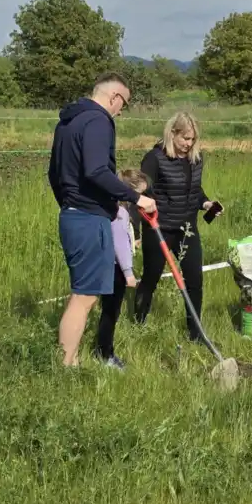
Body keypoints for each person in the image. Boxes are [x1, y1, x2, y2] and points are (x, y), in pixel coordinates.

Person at [48, 73, 156, 368]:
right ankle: (66, 365)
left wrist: (70, 204)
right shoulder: (98, 121)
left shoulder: (68, 122)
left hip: (72, 215)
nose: (122, 111)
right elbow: (97, 171)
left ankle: (70, 359)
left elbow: (53, 174)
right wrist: (137, 198)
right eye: (124, 104)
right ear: (114, 98)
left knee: (84, 294)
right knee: (84, 297)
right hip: (88, 219)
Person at [134, 111, 221, 339]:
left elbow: (194, 191)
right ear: (173, 134)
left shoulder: (196, 158)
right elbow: (140, 193)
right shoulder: (154, 158)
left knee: (195, 280)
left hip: (187, 228)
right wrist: (137, 228)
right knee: (151, 277)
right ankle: (137, 324)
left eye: (192, 139)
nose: (188, 144)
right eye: (185, 138)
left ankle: (196, 333)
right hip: (159, 228)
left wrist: (206, 203)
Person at [95, 168, 147, 370]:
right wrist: (128, 273)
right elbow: (119, 245)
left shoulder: (112, 208)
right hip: (116, 269)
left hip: (110, 265)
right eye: (140, 193)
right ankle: (105, 354)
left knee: (107, 310)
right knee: (110, 312)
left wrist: (132, 242)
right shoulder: (121, 212)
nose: (140, 198)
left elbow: (119, 240)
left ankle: (103, 350)